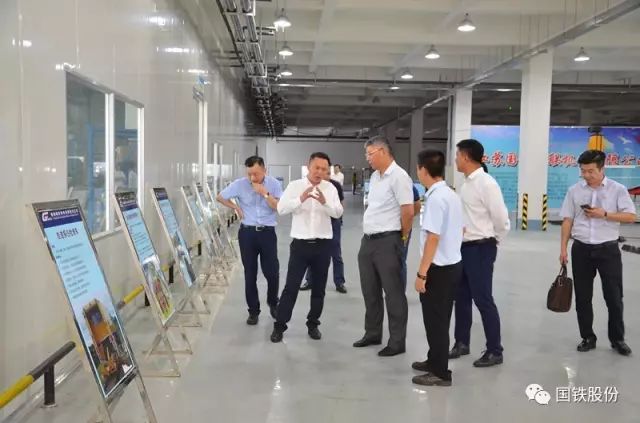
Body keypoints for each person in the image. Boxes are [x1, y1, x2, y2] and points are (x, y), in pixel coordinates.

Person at [559, 149, 636, 356]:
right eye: (583, 171)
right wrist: (563, 249)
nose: (586, 175)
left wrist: (605, 214)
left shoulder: (617, 189)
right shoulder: (574, 191)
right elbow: (567, 220)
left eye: (591, 171)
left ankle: (617, 339)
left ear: (602, 169)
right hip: (581, 249)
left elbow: (630, 217)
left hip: (608, 250)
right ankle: (587, 337)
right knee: (583, 297)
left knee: (614, 297)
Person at [271, 152, 343, 343]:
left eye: (324, 169)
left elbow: (337, 213)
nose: (319, 172)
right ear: (309, 167)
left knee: (319, 289)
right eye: (316, 168)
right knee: (291, 287)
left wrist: (324, 202)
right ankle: (279, 326)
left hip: (323, 246)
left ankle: (313, 324)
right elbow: (281, 209)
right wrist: (301, 198)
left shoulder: (330, 188)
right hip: (300, 246)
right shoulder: (295, 186)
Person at [450, 139, 509, 367]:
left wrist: (493, 242)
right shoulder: (466, 183)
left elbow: (501, 219)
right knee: (461, 297)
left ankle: (495, 350)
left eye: (457, 155)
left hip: (481, 248)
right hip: (464, 247)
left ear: (466, 156)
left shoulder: (486, 183)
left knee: (483, 299)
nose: (455, 159)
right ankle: (461, 342)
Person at [354, 136, 414, 357]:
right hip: (368, 241)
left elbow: (408, 211)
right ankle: (372, 333)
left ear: (382, 152)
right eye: (366, 154)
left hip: (388, 241)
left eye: (370, 154)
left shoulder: (399, 176)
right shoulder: (376, 177)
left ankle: (397, 342)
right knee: (370, 291)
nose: (367, 158)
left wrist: (402, 238)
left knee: (393, 293)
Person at [411, 150, 463, 387]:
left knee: (436, 322)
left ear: (423, 170)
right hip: (452, 265)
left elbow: (433, 238)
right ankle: (434, 359)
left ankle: (440, 372)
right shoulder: (450, 194)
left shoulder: (435, 199)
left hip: (438, 270)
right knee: (440, 319)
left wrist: (422, 273)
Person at [217, 156, 282, 325]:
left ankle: (273, 302)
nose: (252, 178)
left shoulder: (274, 184)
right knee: (250, 273)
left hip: (267, 233)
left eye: (256, 174)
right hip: (247, 234)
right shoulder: (239, 184)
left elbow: (278, 207)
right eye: (249, 174)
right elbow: (220, 197)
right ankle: (253, 311)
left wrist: (264, 193)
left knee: (272, 272)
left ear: (264, 170)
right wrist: (236, 207)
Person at [300, 168, 347, 293]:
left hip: (333, 222)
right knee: (313, 252)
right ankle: (310, 280)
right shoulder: (313, 186)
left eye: (327, 173)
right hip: (318, 222)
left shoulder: (335, 186)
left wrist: (339, 218)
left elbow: (341, 203)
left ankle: (339, 282)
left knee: (336, 253)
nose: (325, 175)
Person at [400, 184, 423, 289]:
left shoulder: (406, 184)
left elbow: (417, 206)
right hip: (391, 229)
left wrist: (407, 218)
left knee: (400, 260)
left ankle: (399, 292)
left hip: (402, 228)